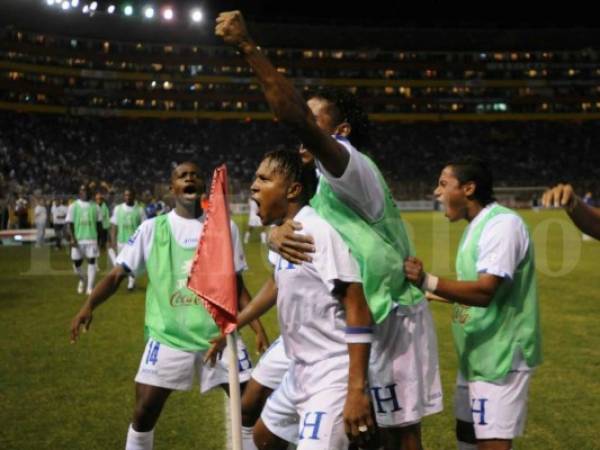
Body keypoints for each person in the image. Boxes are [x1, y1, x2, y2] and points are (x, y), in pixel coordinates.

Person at [216, 11, 442, 449]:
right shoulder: (318, 197)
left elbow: (292, 117)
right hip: (350, 330)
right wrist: (274, 232)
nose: (304, 125)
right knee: (352, 434)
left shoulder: (352, 168)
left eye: (313, 118)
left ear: (340, 132)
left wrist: (248, 47)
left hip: (393, 319)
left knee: (399, 439)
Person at [70, 162, 268, 450]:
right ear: (172, 188)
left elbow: (236, 286)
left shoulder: (223, 229)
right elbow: (116, 274)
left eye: (195, 174)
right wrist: (88, 305)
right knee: (144, 412)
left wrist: (258, 328)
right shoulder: (152, 229)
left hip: (220, 337)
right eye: (181, 175)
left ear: (202, 185)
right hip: (168, 337)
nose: (189, 178)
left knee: (251, 409)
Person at [404, 159, 542, 450]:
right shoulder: (477, 226)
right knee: (467, 436)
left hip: (500, 357)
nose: (435, 192)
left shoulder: (502, 225)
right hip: (477, 354)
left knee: (490, 442)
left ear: (468, 188)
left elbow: (484, 292)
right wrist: (424, 293)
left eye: (443, 184)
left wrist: (427, 281)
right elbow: (471, 290)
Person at [248, 149, 373, 449]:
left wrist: (356, 389)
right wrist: (236, 321)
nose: (253, 185)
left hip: (331, 373)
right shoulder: (284, 235)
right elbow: (277, 283)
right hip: (300, 370)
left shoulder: (316, 231)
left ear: (292, 189)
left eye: (264, 179)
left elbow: (357, 306)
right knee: (263, 437)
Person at [67, 184, 102, 295]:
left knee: (92, 261)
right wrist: (72, 238)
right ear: (79, 192)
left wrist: (100, 240)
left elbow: (99, 224)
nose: (85, 192)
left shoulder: (96, 207)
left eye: (86, 190)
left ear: (90, 192)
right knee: (76, 264)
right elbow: (69, 224)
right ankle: (82, 279)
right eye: (82, 191)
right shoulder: (73, 206)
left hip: (92, 239)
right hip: (78, 239)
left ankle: (90, 288)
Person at [110, 188, 146, 290]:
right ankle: (125, 281)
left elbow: (144, 227)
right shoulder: (118, 209)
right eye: (126, 195)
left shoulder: (140, 210)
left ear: (134, 196)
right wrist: (113, 241)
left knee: (132, 263)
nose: (127, 197)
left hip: (134, 242)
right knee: (120, 264)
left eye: (129, 195)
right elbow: (114, 226)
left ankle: (131, 283)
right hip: (121, 241)